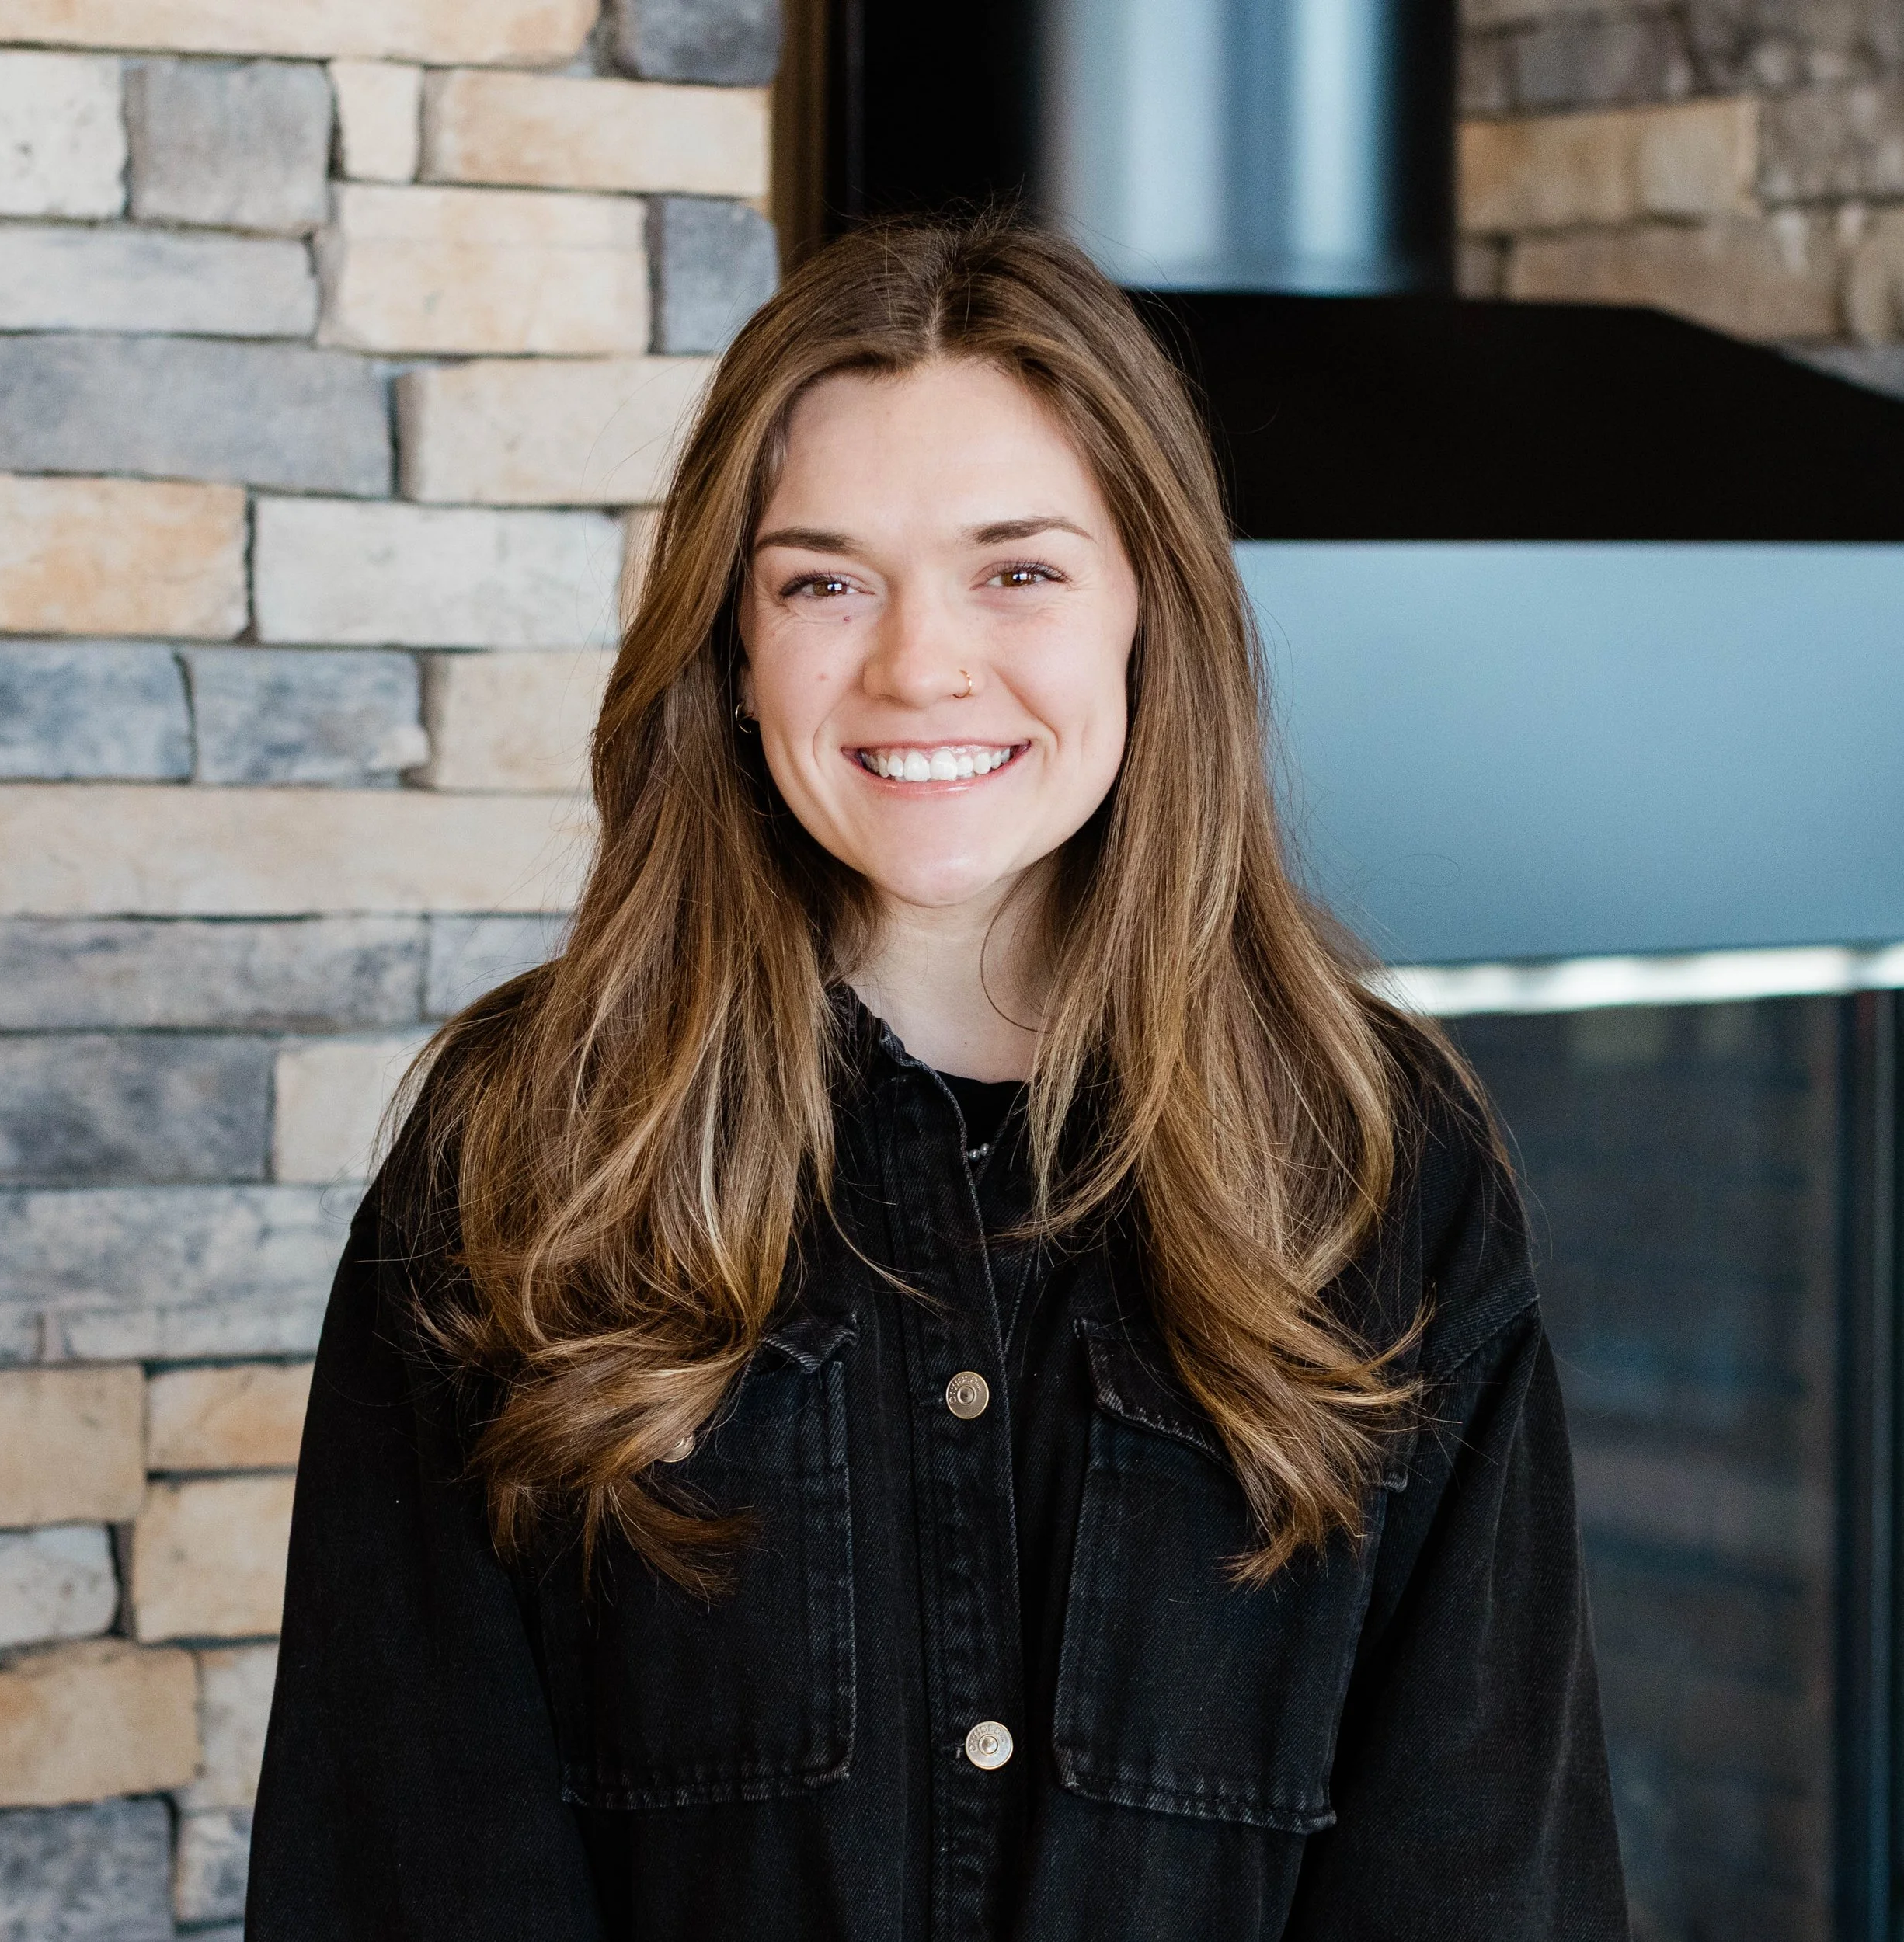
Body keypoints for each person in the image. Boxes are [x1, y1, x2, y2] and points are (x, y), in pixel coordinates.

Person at [247, 217, 1630, 1941]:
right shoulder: (520, 1157)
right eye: (822, 579)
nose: (917, 663)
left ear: (1148, 608)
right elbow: (406, 1872)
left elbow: (1478, 1878)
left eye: (1016, 568)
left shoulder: (1378, 1167)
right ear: (734, 656)